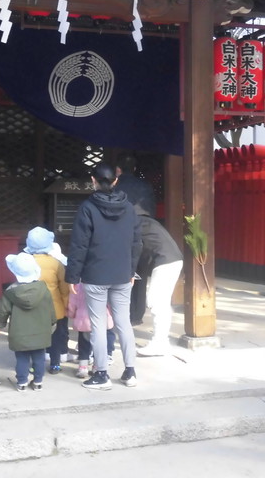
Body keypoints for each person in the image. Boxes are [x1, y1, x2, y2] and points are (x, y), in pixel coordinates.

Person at [66, 162, 142, 390]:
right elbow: (137, 242)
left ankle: (101, 374)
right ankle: (130, 372)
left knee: (98, 325)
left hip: (95, 274)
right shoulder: (129, 207)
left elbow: (79, 245)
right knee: (123, 323)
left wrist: (72, 276)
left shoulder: (88, 207)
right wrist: (131, 270)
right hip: (122, 273)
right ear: (116, 181)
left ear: (93, 180)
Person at [0, 253, 55, 392]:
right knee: (39, 358)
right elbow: (51, 309)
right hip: (41, 333)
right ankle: (38, 381)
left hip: (19, 334)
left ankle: (22, 382)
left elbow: (3, 311)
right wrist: (52, 323)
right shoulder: (44, 290)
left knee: (22, 359)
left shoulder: (11, 292)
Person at [115, 155, 155, 326]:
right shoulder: (145, 186)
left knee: (122, 273)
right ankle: (137, 314)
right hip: (144, 230)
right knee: (140, 272)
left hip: (122, 233)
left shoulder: (116, 187)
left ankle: (122, 311)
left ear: (118, 170)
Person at [135, 212, 183, 357]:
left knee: (157, 302)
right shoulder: (146, 221)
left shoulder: (135, 222)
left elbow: (134, 248)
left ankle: (160, 343)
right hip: (172, 260)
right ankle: (162, 341)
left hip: (165, 262)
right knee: (161, 302)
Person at [23, 226, 68, 374]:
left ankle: (36, 364)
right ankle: (55, 364)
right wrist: (66, 304)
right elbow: (64, 287)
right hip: (54, 308)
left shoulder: (25, 261)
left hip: (32, 307)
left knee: (35, 337)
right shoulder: (56, 263)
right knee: (55, 337)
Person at [67, 283, 117, 379]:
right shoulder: (105, 284)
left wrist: (72, 314)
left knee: (84, 343)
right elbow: (110, 303)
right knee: (99, 343)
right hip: (101, 319)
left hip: (83, 320)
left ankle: (83, 366)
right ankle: (96, 366)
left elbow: (72, 302)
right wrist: (110, 314)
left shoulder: (78, 286)